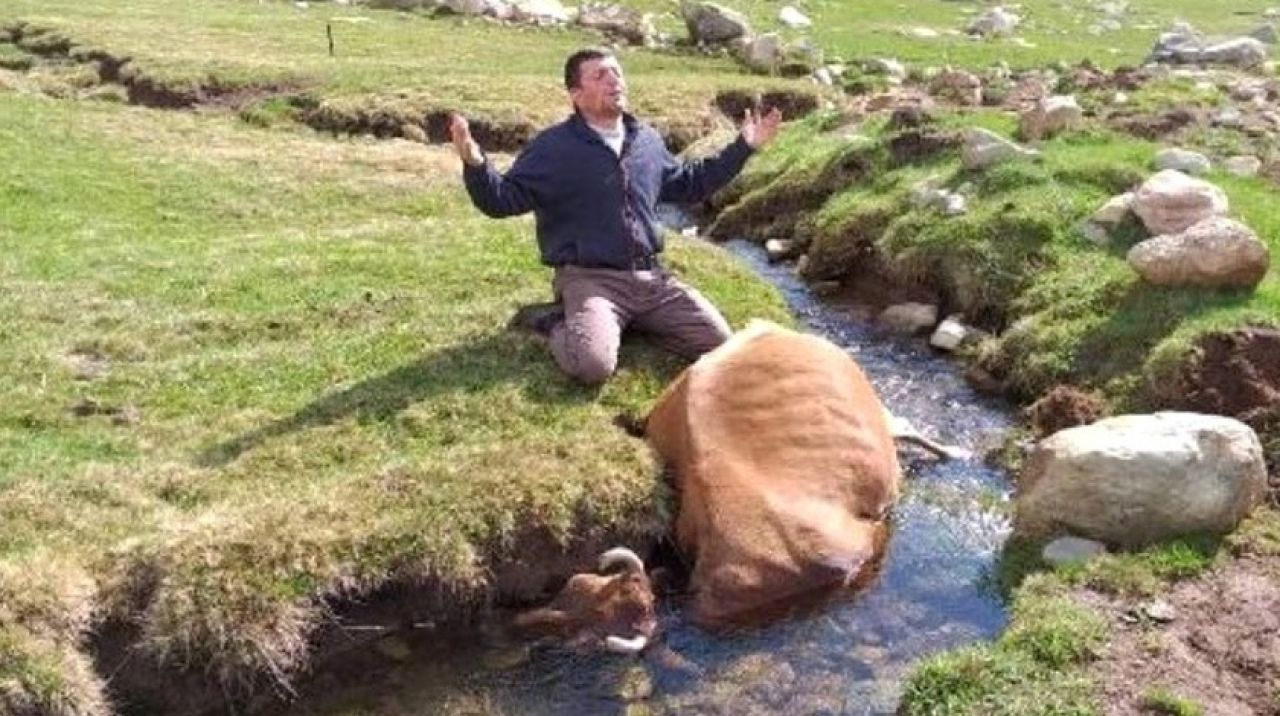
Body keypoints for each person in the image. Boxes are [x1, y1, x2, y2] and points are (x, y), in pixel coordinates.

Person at [449, 47, 782, 385]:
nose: (614, 80)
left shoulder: (646, 140)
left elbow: (689, 184)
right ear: (576, 95)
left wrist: (744, 147)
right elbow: (502, 200)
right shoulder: (553, 148)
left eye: (617, 73)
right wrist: (476, 165)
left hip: (651, 279)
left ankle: (624, 322)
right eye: (600, 75)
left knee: (720, 345)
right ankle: (552, 321)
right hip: (590, 280)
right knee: (592, 366)